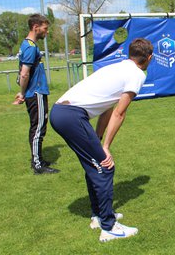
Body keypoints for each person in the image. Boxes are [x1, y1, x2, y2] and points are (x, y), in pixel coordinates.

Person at [49, 38, 154, 242]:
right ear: (149, 58)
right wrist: (105, 147)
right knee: (105, 167)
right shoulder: (136, 75)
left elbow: (106, 108)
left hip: (61, 112)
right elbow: (119, 113)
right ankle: (109, 227)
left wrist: (97, 139)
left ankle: (99, 216)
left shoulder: (117, 68)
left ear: (129, 54)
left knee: (93, 165)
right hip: (71, 115)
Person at [14, 14, 59, 175]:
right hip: (36, 92)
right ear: (36, 27)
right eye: (45, 29)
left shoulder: (27, 45)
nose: (46, 33)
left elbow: (22, 72)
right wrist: (22, 93)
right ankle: (38, 165)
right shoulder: (31, 47)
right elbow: (24, 73)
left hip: (34, 91)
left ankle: (38, 158)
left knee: (38, 126)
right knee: (38, 128)